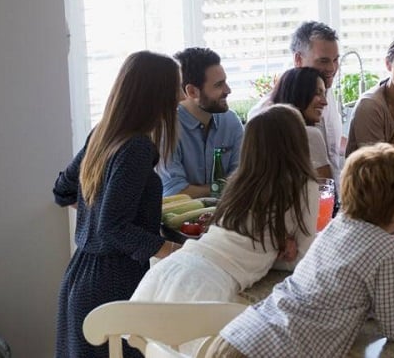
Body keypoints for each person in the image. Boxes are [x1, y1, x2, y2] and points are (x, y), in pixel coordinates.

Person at [208, 143, 394, 358]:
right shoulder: (385, 248)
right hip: (276, 351)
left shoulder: (336, 226)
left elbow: (368, 302)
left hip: (240, 337)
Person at [53, 51, 183, 358]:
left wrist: (97, 213)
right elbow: (113, 228)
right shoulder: (136, 147)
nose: (179, 96)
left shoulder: (103, 134)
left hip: (80, 276)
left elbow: (63, 191)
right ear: (157, 94)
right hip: (111, 283)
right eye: (175, 87)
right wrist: (177, 253)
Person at [132, 104, 318, 305]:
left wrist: (271, 248)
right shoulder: (304, 184)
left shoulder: (239, 181)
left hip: (173, 268)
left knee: (140, 334)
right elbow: (303, 260)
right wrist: (274, 253)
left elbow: (246, 241)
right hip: (208, 285)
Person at [249, 21, 343, 179]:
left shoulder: (326, 93)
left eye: (335, 60)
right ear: (298, 59)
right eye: (323, 61)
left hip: (330, 197)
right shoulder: (266, 113)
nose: (332, 69)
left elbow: (331, 148)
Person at [160, 47, 245, 197]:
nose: (228, 90)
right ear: (192, 92)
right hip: (182, 219)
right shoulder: (167, 128)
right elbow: (174, 191)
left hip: (227, 215)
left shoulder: (230, 121)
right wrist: (220, 188)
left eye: (226, 82)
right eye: (219, 85)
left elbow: (244, 177)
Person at [269, 67, 332, 179]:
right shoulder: (310, 134)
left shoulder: (267, 134)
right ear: (298, 93)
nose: (324, 102)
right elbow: (326, 190)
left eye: (324, 94)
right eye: (318, 93)